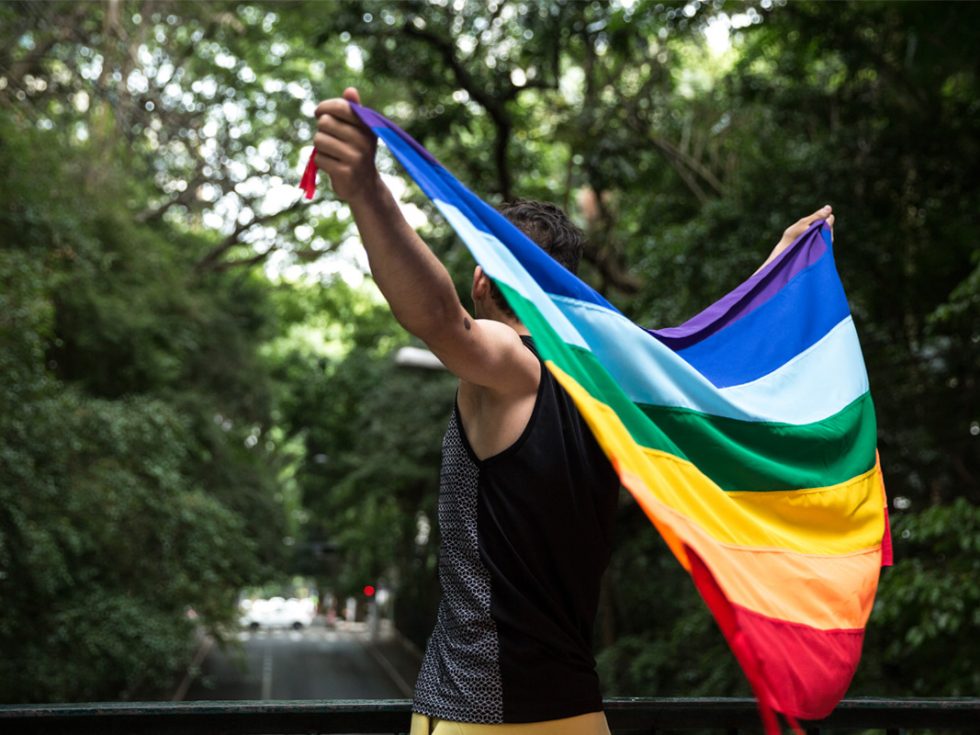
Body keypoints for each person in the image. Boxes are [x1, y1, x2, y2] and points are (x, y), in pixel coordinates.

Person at [310, 87, 835, 735]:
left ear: (482, 280)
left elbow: (443, 322)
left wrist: (365, 189)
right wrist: (780, 267)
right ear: (568, 290)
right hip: (580, 713)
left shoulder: (509, 363)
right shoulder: (615, 390)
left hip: (481, 717)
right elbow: (712, 366)